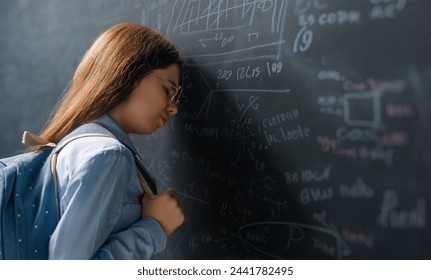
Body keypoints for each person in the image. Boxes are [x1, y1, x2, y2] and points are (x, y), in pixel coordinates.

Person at [31, 23, 185, 259]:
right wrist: (155, 226)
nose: (173, 108)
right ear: (129, 72)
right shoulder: (108, 155)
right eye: (168, 89)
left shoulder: (76, 144)